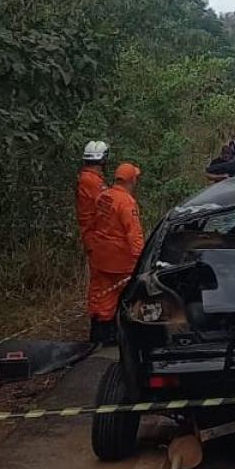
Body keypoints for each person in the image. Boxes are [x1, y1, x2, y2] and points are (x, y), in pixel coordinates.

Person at [88, 163, 144, 345]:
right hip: (120, 261)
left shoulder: (104, 196)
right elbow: (134, 234)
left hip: (100, 256)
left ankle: (98, 335)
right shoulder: (126, 202)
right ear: (132, 180)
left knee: (100, 296)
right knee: (130, 296)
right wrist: (142, 259)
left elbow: (94, 223)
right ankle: (115, 337)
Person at [77, 141, 109, 342]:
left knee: (101, 283)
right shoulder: (91, 181)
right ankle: (100, 330)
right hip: (96, 236)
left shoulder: (91, 179)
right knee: (101, 283)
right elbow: (105, 206)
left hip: (96, 235)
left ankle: (101, 325)